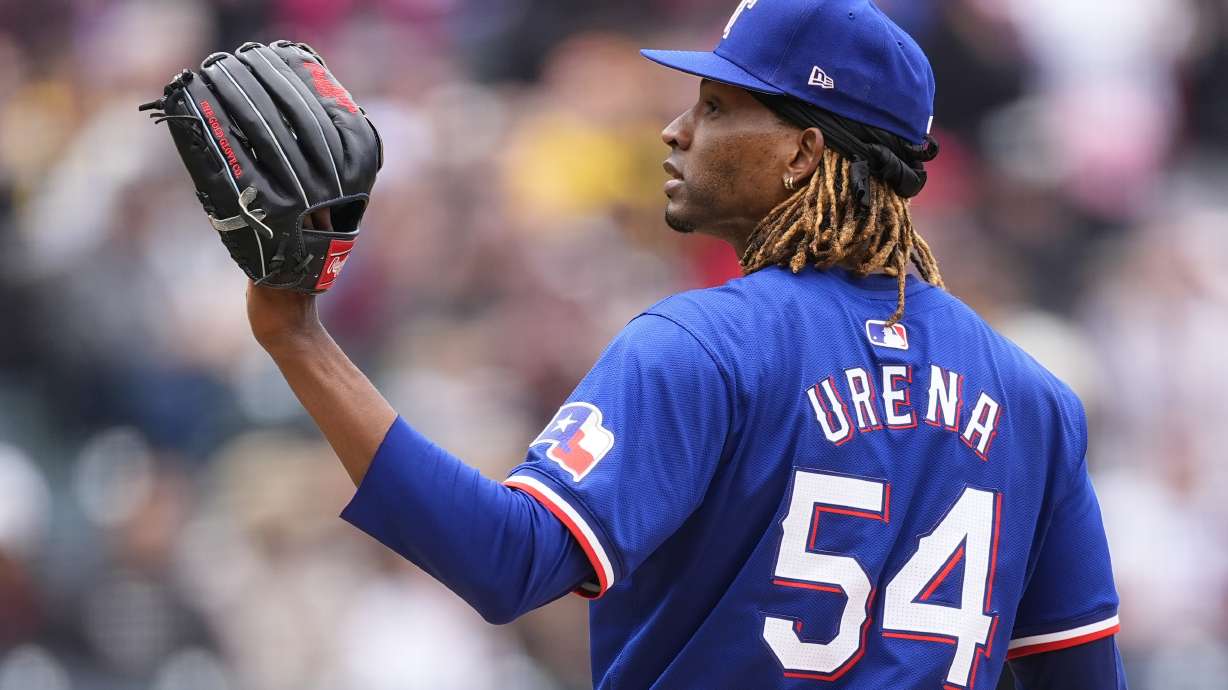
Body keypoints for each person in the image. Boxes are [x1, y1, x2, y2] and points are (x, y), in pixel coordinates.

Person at [246, 0, 1125, 687]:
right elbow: (1078, 673)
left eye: (715, 105)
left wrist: (297, 338)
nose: (676, 129)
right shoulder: (1034, 400)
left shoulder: (706, 344)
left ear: (802, 154)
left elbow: (507, 561)